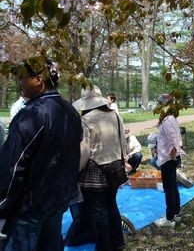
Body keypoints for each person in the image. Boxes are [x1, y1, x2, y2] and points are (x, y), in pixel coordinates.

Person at [0, 56, 82, 250]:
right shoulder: (70, 111)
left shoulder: (32, 114)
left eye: (23, 77)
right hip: (58, 198)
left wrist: (2, 204)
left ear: (38, 80)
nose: (20, 82)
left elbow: (12, 166)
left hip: (30, 206)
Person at [65, 86, 128, 251]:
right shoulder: (113, 115)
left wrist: (75, 170)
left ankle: (103, 246)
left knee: (98, 211)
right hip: (115, 166)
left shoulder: (86, 120)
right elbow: (123, 141)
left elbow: (84, 152)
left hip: (96, 169)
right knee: (111, 204)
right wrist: (124, 159)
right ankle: (117, 241)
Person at [154, 94, 185, 227]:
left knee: (169, 188)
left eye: (159, 104)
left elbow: (174, 142)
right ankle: (175, 213)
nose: (157, 106)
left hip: (169, 159)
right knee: (172, 187)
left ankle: (169, 218)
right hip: (169, 157)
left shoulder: (168, 121)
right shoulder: (169, 119)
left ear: (165, 105)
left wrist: (172, 158)